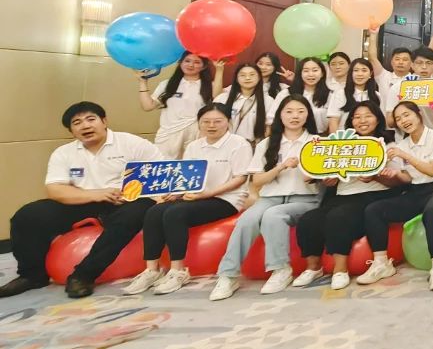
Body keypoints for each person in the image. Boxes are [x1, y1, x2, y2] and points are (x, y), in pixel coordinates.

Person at [0, 102, 165, 299]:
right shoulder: (63, 153)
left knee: (135, 213)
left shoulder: (133, 144)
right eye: (77, 123)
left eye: (91, 119)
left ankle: (83, 276)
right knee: (27, 215)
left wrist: (133, 193)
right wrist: (96, 194)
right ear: (71, 130)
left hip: (128, 201)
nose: (85, 126)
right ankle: (32, 275)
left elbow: (161, 173)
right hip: (85, 199)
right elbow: (55, 189)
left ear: (104, 121)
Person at [123, 103, 252, 295]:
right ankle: (152, 270)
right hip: (195, 196)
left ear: (228, 122)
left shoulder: (239, 144)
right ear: (198, 123)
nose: (211, 126)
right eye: (206, 122)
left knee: (175, 213)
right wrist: (176, 193)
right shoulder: (194, 146)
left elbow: (240, 178)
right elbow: (187, 178)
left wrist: (207, 194)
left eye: (217, 121)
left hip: (226, 199)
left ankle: (178, 271)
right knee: (154, 211)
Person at [209, 96, 323, 300]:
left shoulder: (318, 142)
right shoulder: (267, 144)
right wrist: (281, 166)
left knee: (274, 216)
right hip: (270, 198)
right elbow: (257, 181)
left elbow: (322, 178)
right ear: (280, 115)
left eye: (300, 111)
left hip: (305, 199)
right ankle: (228, 275)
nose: (295, 116)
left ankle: (280, 269)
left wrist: (310, 171)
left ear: (308, 115)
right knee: (246, 220)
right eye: (289, 111)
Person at [293, 101, 407, 290]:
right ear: (351, 121)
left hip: (374, 196)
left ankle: (340, 270)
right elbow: (326, 172)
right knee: (309, 220)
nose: (362, 121)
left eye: (368, 116)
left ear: (378, 119)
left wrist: (375, 176)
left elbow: (398, 181)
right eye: (357, 117)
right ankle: (313, 268)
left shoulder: (388, 144)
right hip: (342, 196)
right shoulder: (341, 144)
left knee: (339, 217)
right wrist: (329, 179)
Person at [360, 101, 433, 290]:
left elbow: (432, 170)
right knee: (374, 210)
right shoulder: (403, 144)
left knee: (432, 211)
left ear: (418, 114)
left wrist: (405, 156)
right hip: (416, 190)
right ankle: (381, 263)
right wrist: (395, 174)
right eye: (398, 118)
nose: (403, 121)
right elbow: (408, 177)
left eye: (406, 115)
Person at [137, 51, 216, 157]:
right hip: (169, 135)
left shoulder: (210, 86)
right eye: (187, 61)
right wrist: (142, 83)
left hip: (197, 134)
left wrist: (220, 70)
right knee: (166, 165)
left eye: (197, 62)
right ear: (180, 63)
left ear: (204, 66)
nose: (191, 65)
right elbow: (148, 106)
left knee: (194, 164)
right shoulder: (167, 84)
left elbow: (219, 101)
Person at [215, 63, 269, 144]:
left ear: (259, 78)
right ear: (236, 79)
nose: (247, 78)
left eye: (252, 75)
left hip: (252, 145)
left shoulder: (268, 100)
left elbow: (269, 128)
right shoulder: (223, 98)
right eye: (242, 75)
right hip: (225, 144)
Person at [289, 57, 341, 135]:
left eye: (315, 70)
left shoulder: (331, 95)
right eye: (306, 71)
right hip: (293, 136)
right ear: (300, 73)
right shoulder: (287, 93)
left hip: (321, 137)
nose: (311, 74)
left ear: (322, 73)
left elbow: (334, 122)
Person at [368, 37, 413, 104]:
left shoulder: (417, 81)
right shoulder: (383, 76)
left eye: (405, 59)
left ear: (411, 63)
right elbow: (372, 58)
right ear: (391, 62)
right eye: (397, 59)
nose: (401, 62)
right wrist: (373, 34)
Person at [342, 57, 384, 128]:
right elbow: (333, 122)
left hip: (370, 134)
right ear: (351, 73)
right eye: (356, 70)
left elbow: (380, 120)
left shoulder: (377, 95)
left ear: (370, 74)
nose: (360, 74)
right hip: (345, 134)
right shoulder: (340, 93)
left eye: (364, 70)